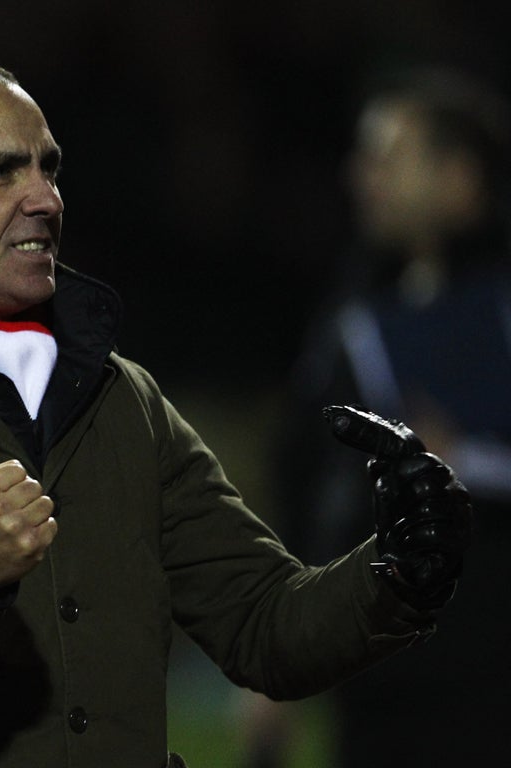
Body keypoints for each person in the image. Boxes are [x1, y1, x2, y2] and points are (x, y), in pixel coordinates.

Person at [0, 57, 473, 768]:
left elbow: (263, 624)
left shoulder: (121, 396)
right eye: (2, 171)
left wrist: (396, 572)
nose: (44, 196)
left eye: (47, 166)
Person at [239, 66, 511, 767]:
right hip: (383, 670)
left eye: (389, 158)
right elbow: (308, 480)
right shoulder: (354, 317)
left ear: (460, 178)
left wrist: (469, 463)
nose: (364, 177)